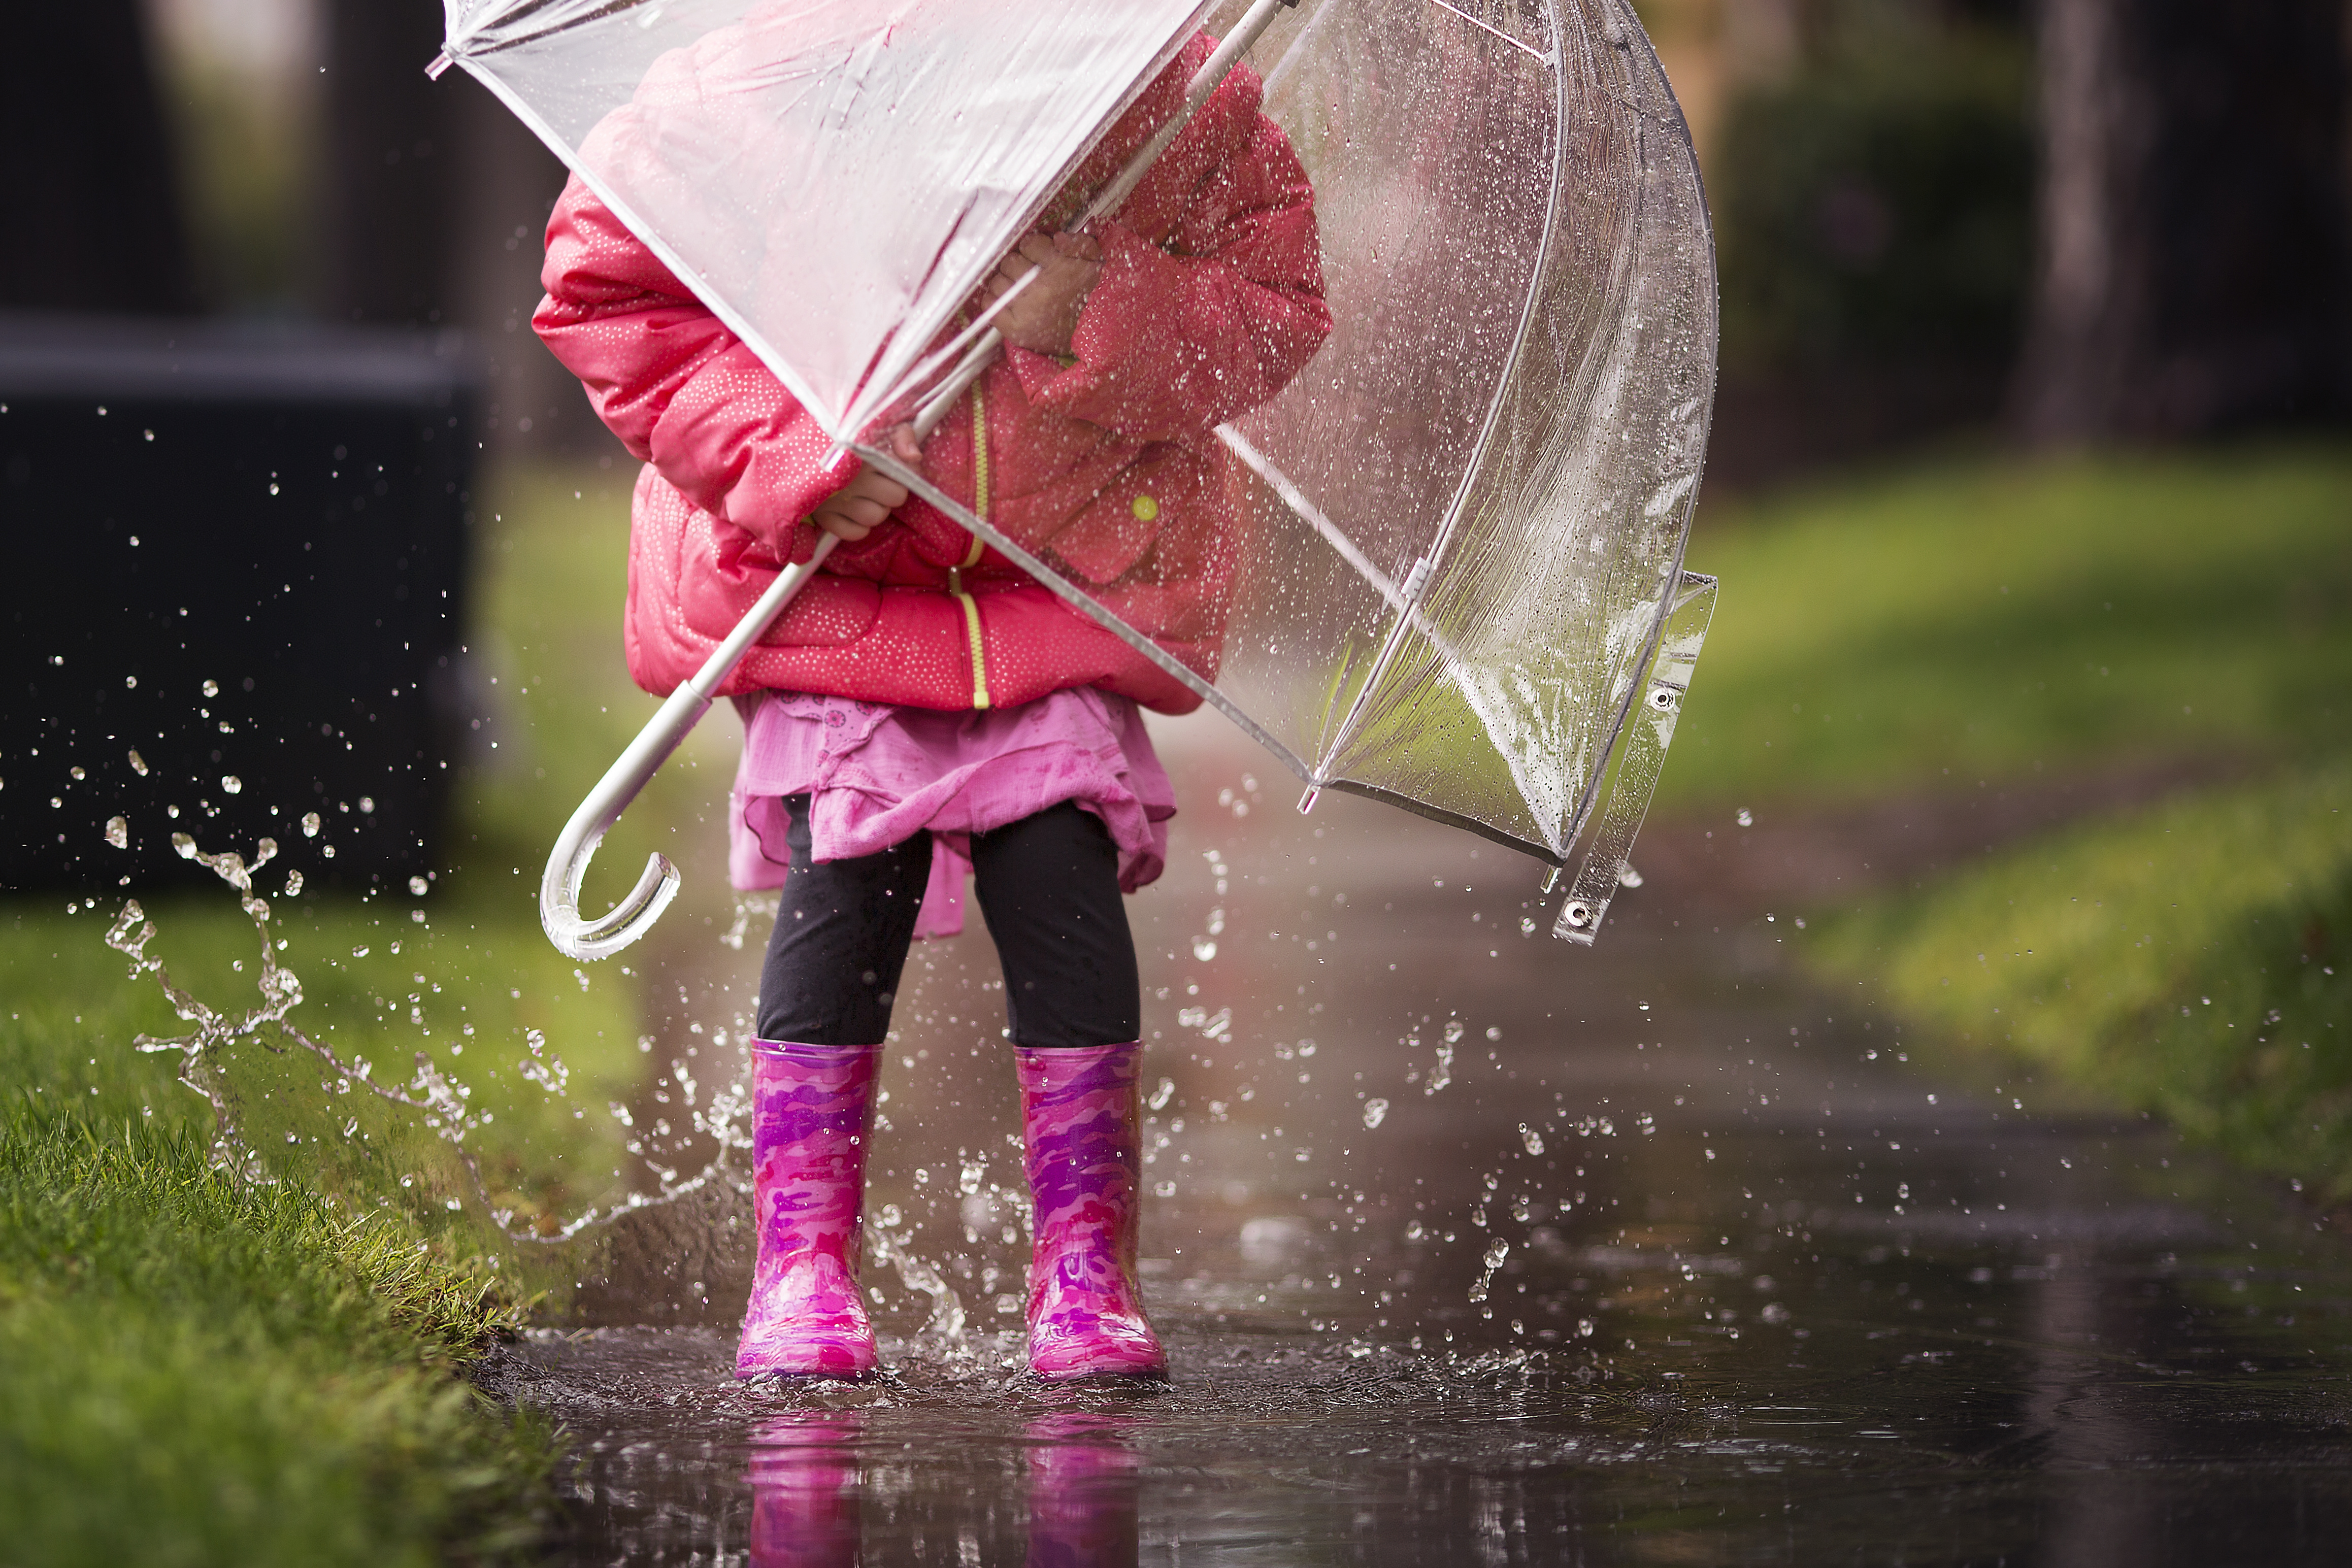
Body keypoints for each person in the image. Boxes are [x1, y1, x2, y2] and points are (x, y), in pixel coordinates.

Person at [534, 23, 1328, 1382]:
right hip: (842, 582)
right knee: (847, 880)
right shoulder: (748, 95)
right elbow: (615, 298)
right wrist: (785, 461)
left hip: (1049, 580)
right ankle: (800, 1265)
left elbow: (1273, 312)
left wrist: (1096, 303)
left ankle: (1085, 1270)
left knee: (1058, 872)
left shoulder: (1173, 104)